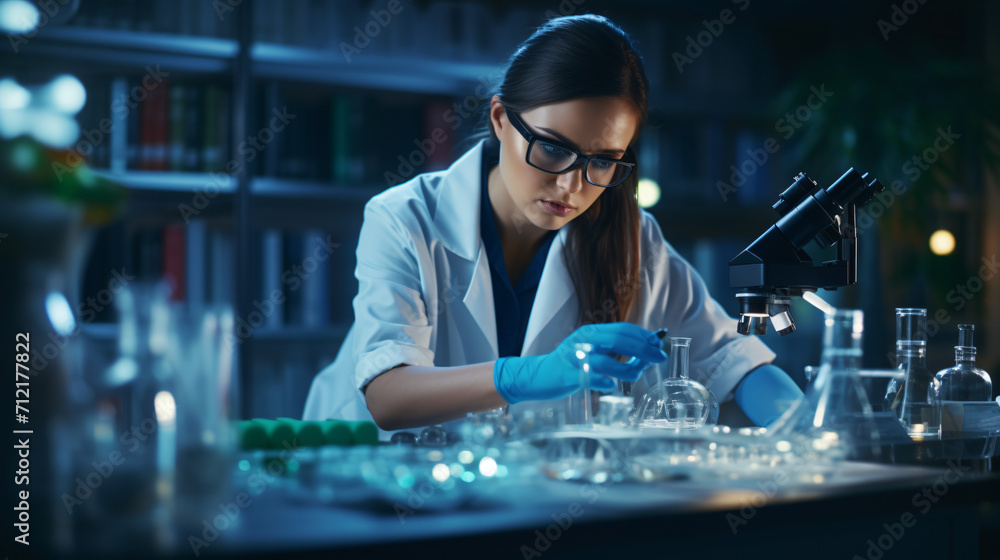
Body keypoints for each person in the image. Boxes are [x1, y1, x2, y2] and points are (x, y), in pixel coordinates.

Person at [303, 14, 803, 437]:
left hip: (514, 489)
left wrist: (808, 427)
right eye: (552, 148)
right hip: (365, 473)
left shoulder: (633, 237)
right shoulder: (406, 216)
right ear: (501, 118)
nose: (570, 185)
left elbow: (732, 363)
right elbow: (389, 396)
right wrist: (532, 375)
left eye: (603, 160)